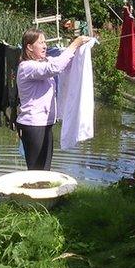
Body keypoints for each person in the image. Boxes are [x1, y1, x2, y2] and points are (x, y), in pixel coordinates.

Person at [16, 29, 92, 170]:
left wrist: (80, 50)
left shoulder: (44, 62)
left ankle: (41, 191)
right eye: (41, 42)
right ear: (29, 47)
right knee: (37, 171)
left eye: (45, 42)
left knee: (45, 169)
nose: (45, 46)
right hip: (33, 125)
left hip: (44, 124)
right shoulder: (27, 67)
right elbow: (55, 67)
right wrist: (74, 45)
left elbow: (62, 63)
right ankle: (33, 191)